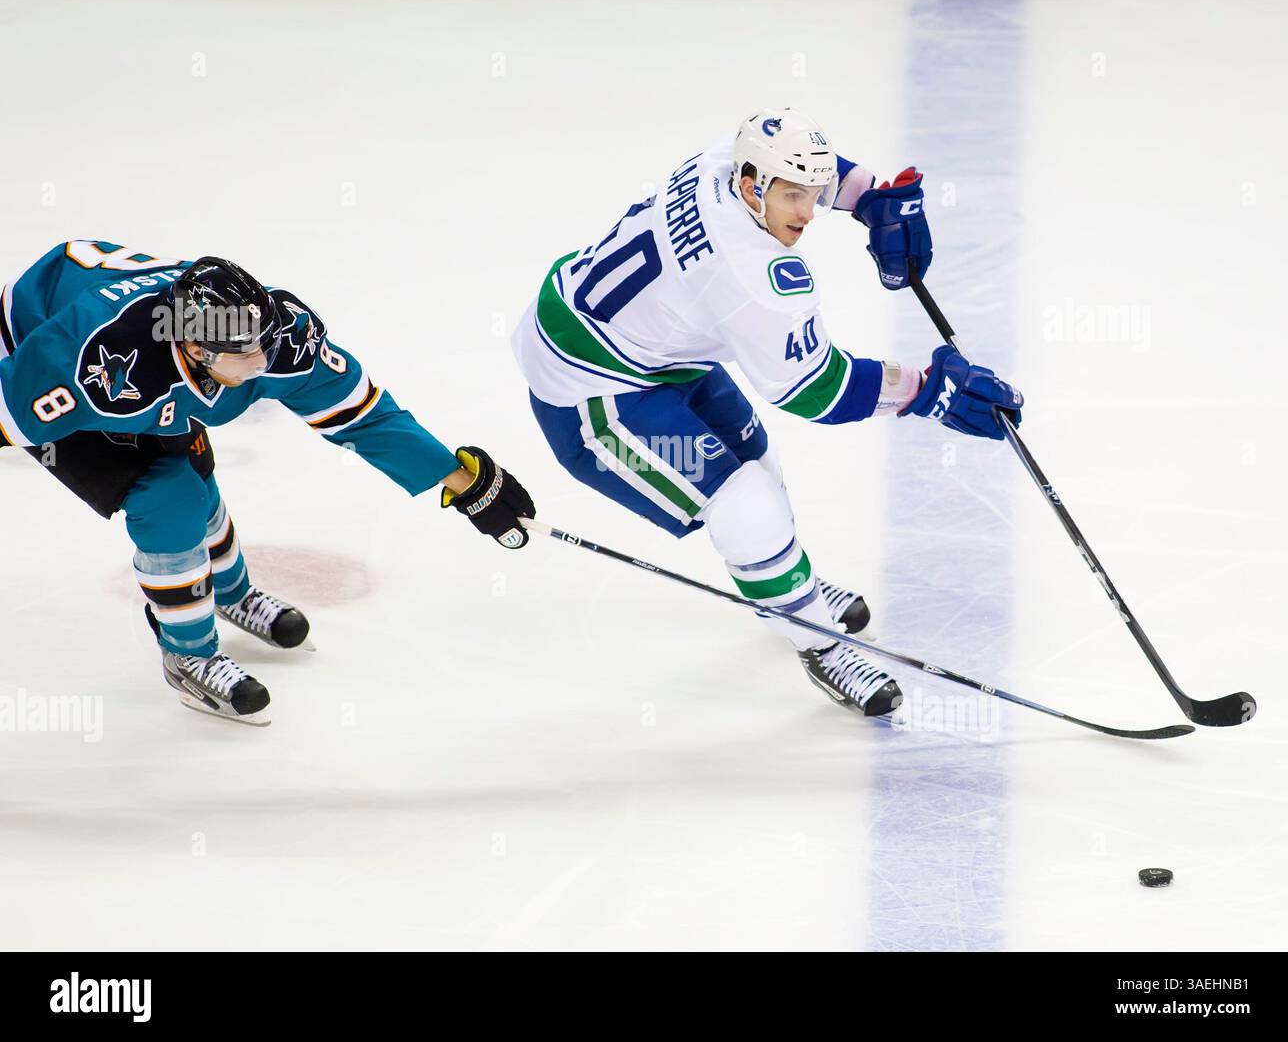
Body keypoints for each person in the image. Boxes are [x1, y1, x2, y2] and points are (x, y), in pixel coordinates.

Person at [512, 109, 1023, 717]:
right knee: (746, 504)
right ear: (754, 186)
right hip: (590, 394)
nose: (807, 213)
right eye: (792, 198)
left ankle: (791, 593)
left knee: (759, 465)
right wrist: (930, 390)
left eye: (812, 194)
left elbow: (813, 171)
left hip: (646, 348)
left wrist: (872, 199)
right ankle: (819, 644)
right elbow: (817, 393)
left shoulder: (723, 163)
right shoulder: (755, 275)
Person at [0, 242, 535, 724]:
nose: (263, 362)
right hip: (33, 349)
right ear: (194, 348)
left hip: (136, 366)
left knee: (197, 480)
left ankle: (231, 593)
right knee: (171, 498)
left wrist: (462, 481)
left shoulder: (279, 337)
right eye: (243, 355)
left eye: (264, 344)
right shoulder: (89, 357)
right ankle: (188, 652)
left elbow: (363, 416)